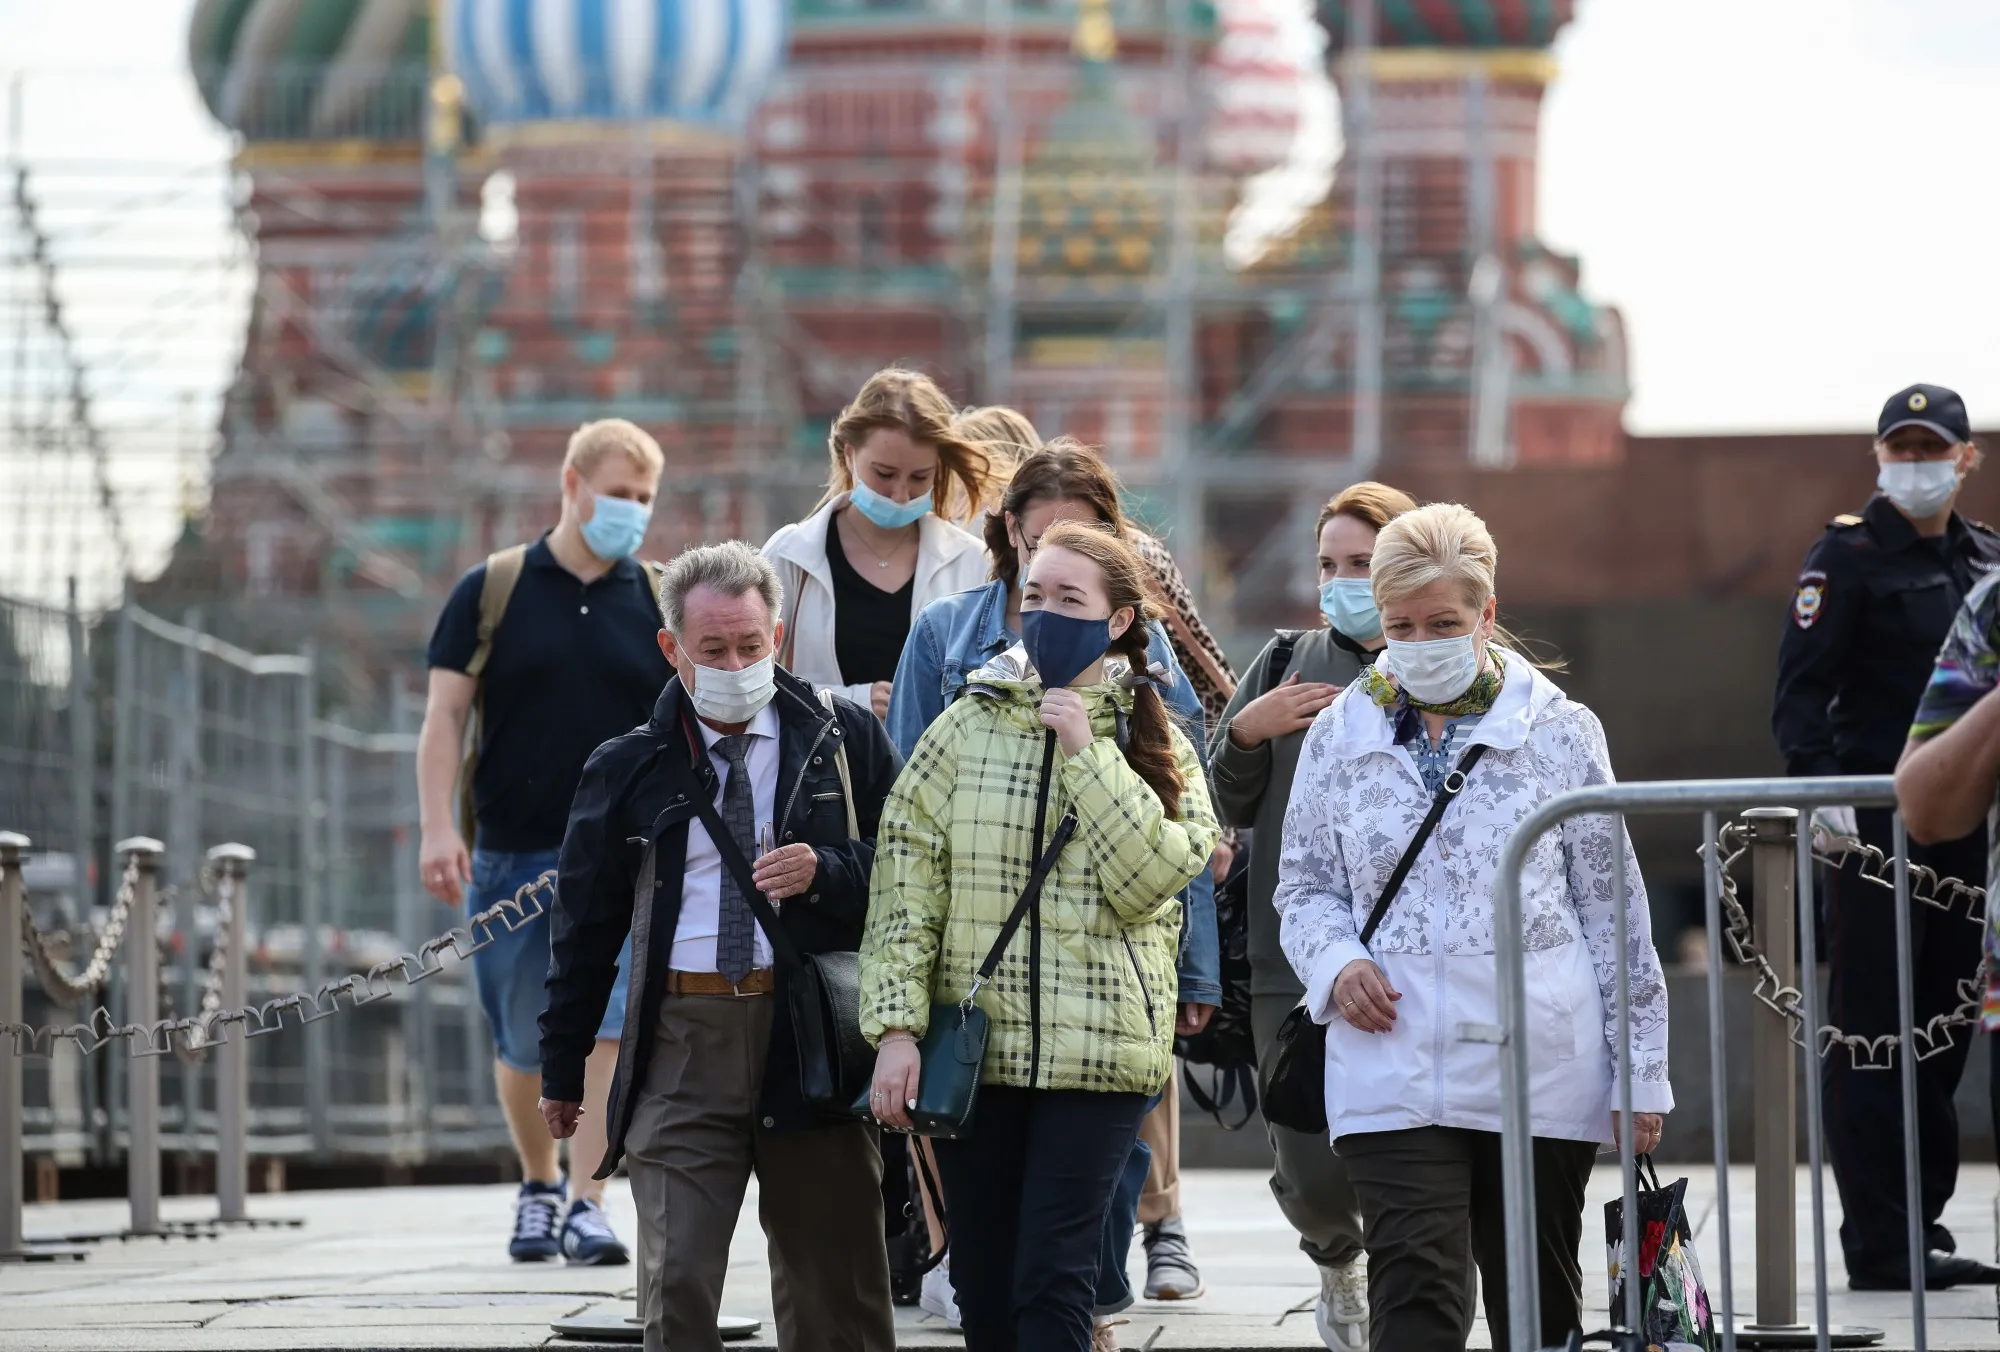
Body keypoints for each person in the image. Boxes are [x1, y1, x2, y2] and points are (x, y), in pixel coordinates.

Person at [1274, 502, 1672, 1352]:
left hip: (1539, 1063)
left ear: (1486, 616)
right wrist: (1337, 963)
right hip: (1391, 1057)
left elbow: (1615, 907)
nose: (1420, 640)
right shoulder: (1337, 734)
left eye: (1444, 622)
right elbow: (1303, 886)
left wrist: (1641, 1070)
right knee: (1415, 1288)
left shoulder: (1562, 731)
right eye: (1401, 625)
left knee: (1535, 1301)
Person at [884, 435, 1221, 1335]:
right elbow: (906, 881)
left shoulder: (1155, 738)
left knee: (1057, 1284)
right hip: (981, 1052)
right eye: (1034, 595)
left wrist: (1085, 753)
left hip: (1100, 1057)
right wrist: (895, 1028)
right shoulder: (964, 727)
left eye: (1070, 599)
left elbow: (1155, 878)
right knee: (987, 1288)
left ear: (1116, 619)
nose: (1045, 612)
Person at [538, 541, 902, 1352]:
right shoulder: (627, 766)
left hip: (809, 1034)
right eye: (713, 650)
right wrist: (563, 1069)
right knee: (678, 1281)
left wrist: (830, 871)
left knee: (834, 1288)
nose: (737, 663)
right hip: (682, 1039)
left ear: (776, 634)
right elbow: (584, 929)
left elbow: (916, 875)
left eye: (751, 644)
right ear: (673, 649)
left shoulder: (844, 742)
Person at [417, 418, 668, 1265]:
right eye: (618, 493)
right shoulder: (491, 589)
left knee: (607, 1027)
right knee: (524, 1036)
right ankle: (536, 1181)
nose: (630, 511)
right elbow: (445, 717)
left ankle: (587, 1199)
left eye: (643, 498)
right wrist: (437, 826)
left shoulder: (661, 599)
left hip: (628, 861)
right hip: (513, 853)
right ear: (571, 482)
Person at [1773, 383, 2000, 1290]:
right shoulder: (1848, 556)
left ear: (1964, 458)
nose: (1915, 465)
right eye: (1900, 450)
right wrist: (1818, 797)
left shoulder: (1985, 561)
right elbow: (1800, 689)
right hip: (1872, 835)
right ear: (1878, 458)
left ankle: (1923, 1228)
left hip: (1966, 833)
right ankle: (1878, 1243)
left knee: (1946, 1030)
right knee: (1875, 1033)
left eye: (1931, 450)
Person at [1208, 480, 1417, 1351]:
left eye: (1362, 564)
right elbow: (1227, 799)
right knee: (1307, 1154)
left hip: (1412, 955)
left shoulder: (1440, 661)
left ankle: (1417, 1290)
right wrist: (1247, 731)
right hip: (1286, 955)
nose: (1342, 581)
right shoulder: (1288, 658)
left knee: (1415, 1152)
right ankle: (1338, 1262)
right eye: (1329, 563)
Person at [763, 368, 1000, 720]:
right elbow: (750, 680)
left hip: (933, 770)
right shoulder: (791, 555)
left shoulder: (972, 560)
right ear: (848, 455)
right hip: (823, 768)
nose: (900, 494)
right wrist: (850, 701)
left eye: (920, 477)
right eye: (884, 474)